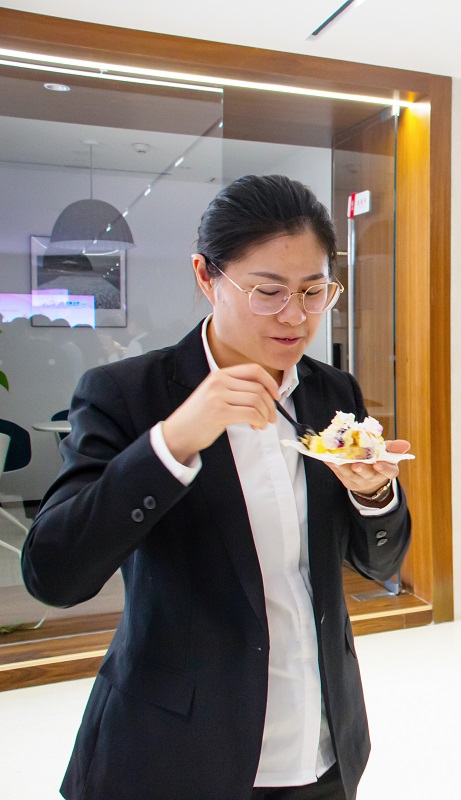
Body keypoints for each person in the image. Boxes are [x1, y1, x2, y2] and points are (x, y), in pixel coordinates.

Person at [22, 174, 412, 800]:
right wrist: (174, 441)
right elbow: (54, 575)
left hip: (321, 745)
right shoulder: (127, 395)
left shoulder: (331, 392)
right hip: (177, 754)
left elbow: (381, 564)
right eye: (268, 291)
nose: (296, 316)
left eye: (314, 291)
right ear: (206, 276)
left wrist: (372, 495)